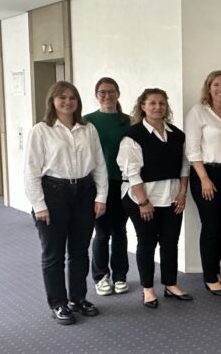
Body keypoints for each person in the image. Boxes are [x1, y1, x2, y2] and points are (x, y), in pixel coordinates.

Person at [24, 81, 107, 325]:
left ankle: (78, 299)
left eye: (72, 98)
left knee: (80, 251)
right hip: (53, 193)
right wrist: (39, 204)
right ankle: (58, 303)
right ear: (52, 101)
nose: (68, 102)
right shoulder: (41, 130)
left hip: (84, 192)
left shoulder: (87, 128)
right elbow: (31, 171)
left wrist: (100, 196)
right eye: (62, 97)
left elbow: (99, 164)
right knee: (54, 254)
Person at [117, 88, 191, 308]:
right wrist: (143, 202)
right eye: (152, 103)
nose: (158, 107)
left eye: (162, 103)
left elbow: (184, 166)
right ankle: (148, 289)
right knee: (147, 243)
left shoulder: (177, 134)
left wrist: (182, 192)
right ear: (143, 106)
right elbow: (132, 173)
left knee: (170, 242)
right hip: (142, 199)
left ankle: (170, 284)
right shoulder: (133, 136)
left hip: (172, 197)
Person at [185, 70, 221, 296]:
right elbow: (192, 149)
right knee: (210, 226)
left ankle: (216, 271)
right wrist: (205, 179)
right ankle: (209, 277)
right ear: (208, 88)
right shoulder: (198, 113)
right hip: (205, 175)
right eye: (216, 85)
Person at [85, 77, 131, 297]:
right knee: (102, 232)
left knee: (120, 230)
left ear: (118, 94)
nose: (107, 96)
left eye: (112, 92)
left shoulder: (128, 121)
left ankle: (120, 276)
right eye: (102, 92)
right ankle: (101, 276)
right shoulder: (87, 121)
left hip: (122, 183)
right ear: (96, 95)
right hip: (98, 185)